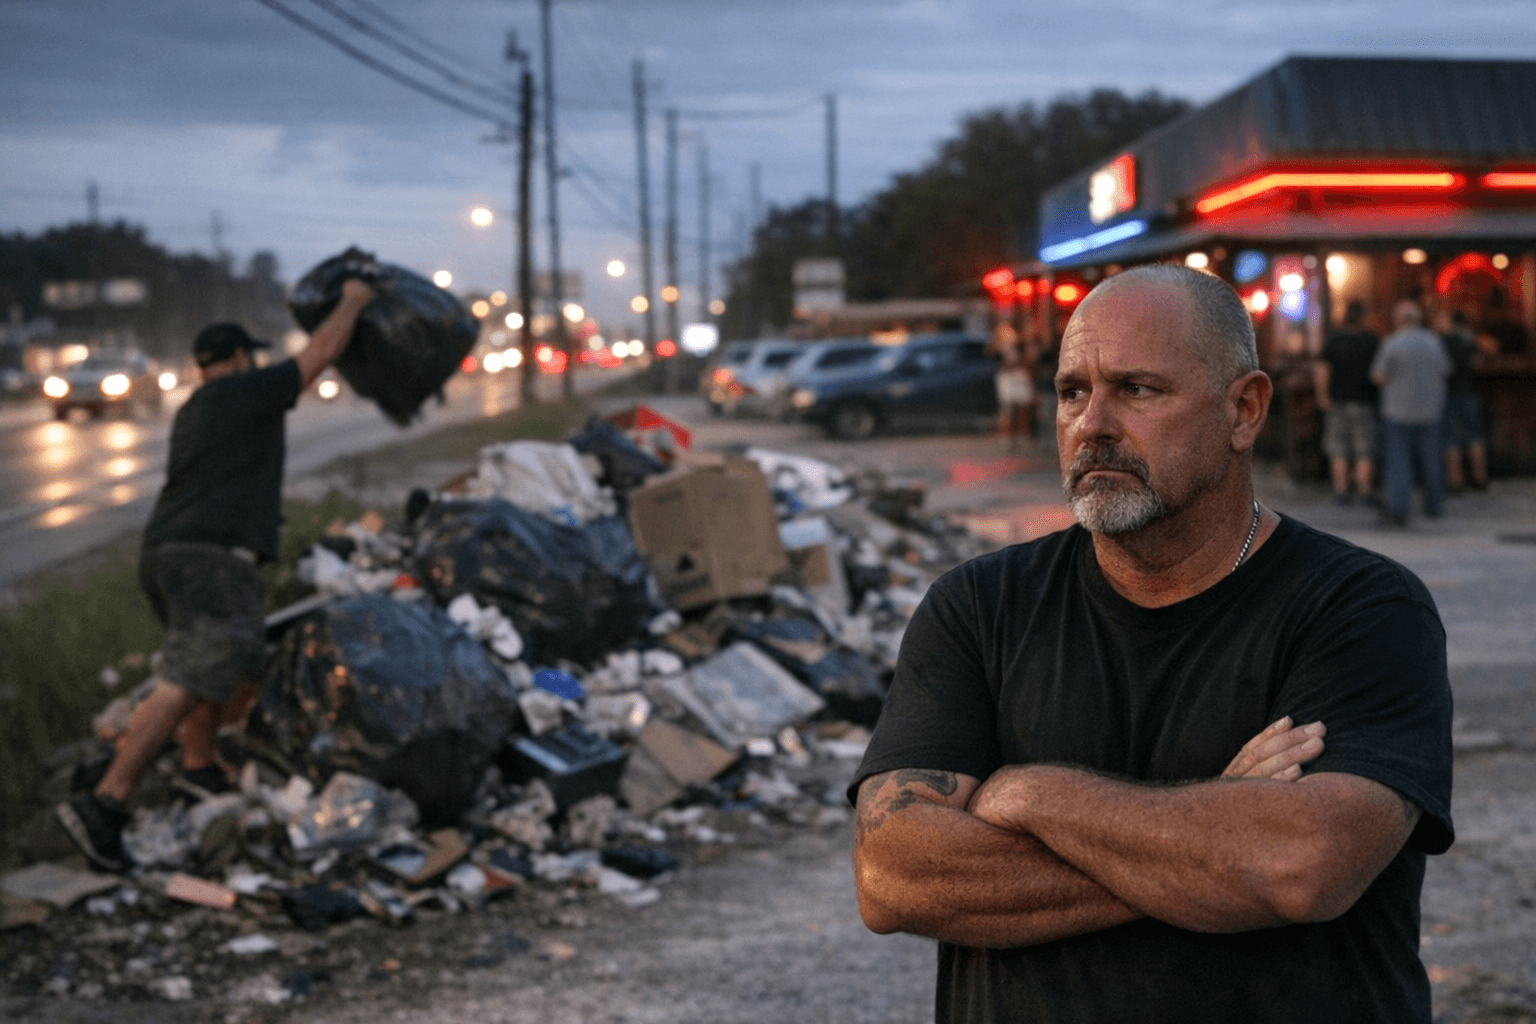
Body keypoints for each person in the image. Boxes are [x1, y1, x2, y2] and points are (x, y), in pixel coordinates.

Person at [850, 264, 1453, 1023]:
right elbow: (895, 876)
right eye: (1072, 392)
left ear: (1244, 409)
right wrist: (1217, 835)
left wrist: (1028, 793)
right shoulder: (978, 607)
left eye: (1137, 389)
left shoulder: (1362, 607)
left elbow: (1299, 867)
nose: (1091, 423)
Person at [56, 279, 377, 872]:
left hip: (168, 556)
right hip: (212, 559)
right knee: (188, 674)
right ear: (235, 360)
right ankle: (106, 803)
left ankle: (201, 773)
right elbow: (321, 353)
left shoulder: (196, 411)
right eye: (248, 356)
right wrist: (354, 299)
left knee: (216, 670)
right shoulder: (242, 393)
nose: (254, 363)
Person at [1370, 299, 1452, 527]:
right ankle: (1434, 505)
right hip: (1430, 408)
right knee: (1432, 458)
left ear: (1399, 320)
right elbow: (1445, 370)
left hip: (1397, 410)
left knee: (1399, 461)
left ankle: (1399, 508)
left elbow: (1378, 376)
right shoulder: (1434, 342)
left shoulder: (1392, 343)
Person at [1312, 299, 1380, 505]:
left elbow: (1322, 370)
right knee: (1364, 449)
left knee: (1338, 448)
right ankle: (1364, 491)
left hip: (1337, 402)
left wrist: (1322, 396)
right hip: (1364, 401)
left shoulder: (1334, 341)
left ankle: (1341, 492)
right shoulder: (1372, 341)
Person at [1436, 308, 1488, 492]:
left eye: (1441, 318)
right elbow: (1480, 359)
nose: (1438, 322)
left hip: (1448, 393)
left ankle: (1455, 481)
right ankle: (1479, 478)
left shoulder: (1439, 341)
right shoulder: (1468, 338)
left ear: (1450, 321)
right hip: (1468, 389)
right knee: (1475, 435)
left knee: (1451, 438)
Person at [990, 322, 1036, 451]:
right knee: (1008, 409)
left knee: (1023, 408)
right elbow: (993, 356)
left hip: (1020, 375)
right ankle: (1006, 438)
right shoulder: (1000, 341)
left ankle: (1023, 436)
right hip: (1007, 377)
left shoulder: (1023, 342)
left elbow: (1028, 360)